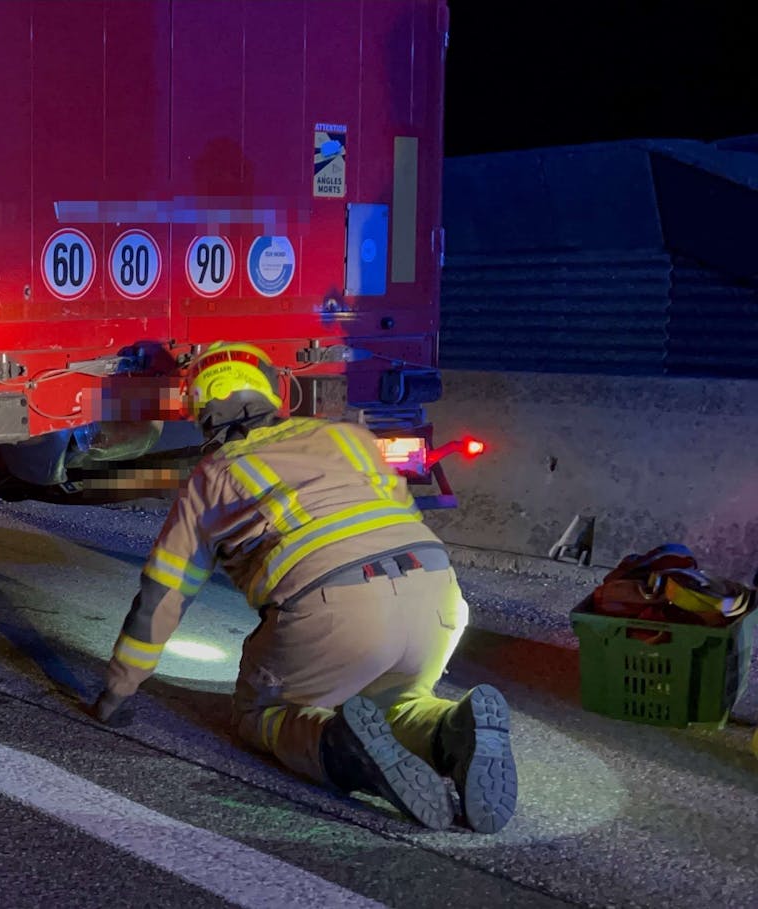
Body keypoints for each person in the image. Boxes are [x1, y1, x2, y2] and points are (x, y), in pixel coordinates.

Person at [90, 341, 517, 833]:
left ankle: (342, 749)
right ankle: (448, 730)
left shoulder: (214, 476)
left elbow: (163, 594)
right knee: (394, 695)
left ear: (200, 409)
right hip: (437, 595)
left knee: (260, 713)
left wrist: (118, 690)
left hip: (336, 607)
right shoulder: (349, 437)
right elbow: (403, 517)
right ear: (274, 393)